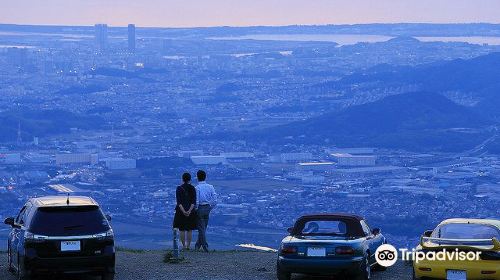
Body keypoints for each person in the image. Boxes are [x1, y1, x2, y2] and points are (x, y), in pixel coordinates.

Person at [194, 170, 218, 252]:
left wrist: (196, 209)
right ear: (205, 177)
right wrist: (210, 208)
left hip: (200, 208)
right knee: (203, 228)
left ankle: (204, 245)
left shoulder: (197, 188)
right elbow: (215, 200)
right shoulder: (210, 187)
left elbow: (196, 200)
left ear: (197, 177)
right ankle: (197, 245)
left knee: (201, 228)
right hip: (207, 208)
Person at [173, 172, 197, 250]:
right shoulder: (193, 188)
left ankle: (183, 246)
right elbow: (194, 202)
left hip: (180, 211)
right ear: (190, 179)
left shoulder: (179, 188)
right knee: (189, 229)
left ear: (182, 179)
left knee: (182, 229)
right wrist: (189, 211)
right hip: (191, 211)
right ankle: (188, 246)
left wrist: (183, 211)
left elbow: (179, 202)